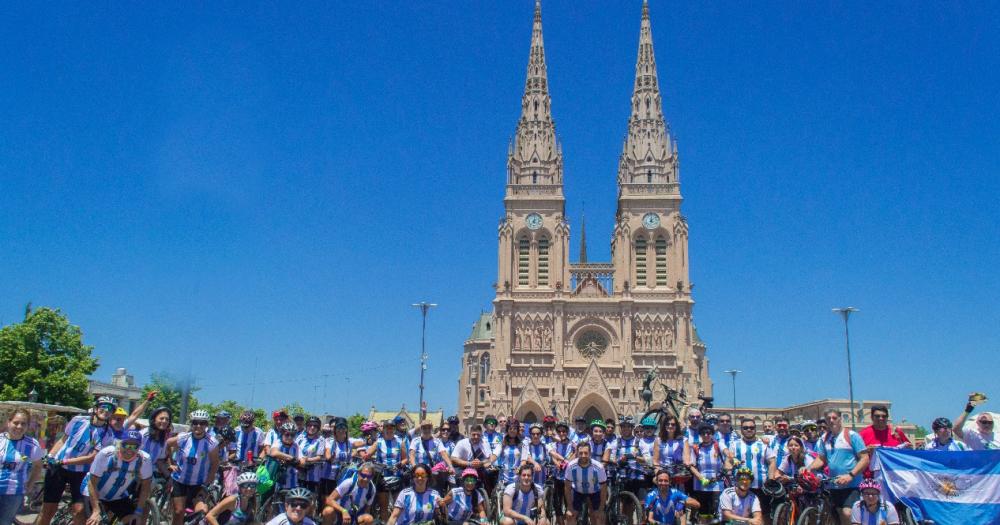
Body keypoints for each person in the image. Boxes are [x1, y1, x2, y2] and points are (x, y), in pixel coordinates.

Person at [37, 395, 119, 525]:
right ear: (96, 408)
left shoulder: (108, 434)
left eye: (110, 409)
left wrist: (63, 461)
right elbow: (63, 440)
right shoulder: (78, 420)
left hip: (81, 473)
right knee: (48, 510)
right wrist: (50, 456)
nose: (106, 410)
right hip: (58, 468)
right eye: (103, 407)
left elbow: (91, 458)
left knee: (79, 511)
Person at [808, 409, 869, 525]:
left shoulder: (852, 436)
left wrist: (851, 475)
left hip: (852, 485)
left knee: (847, 513)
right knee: (836, 515)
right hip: (834, 485)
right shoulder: (824, 438)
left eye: (834, 418)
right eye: (828, 418)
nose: (831, 420)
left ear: (840, 419)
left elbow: (865, 458)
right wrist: (809, 468)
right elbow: (821, 459)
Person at [83, 430, 152, 525]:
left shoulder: (144, 459)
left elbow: (146, 485)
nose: (129, 450)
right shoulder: (106, 454)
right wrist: (96, 511)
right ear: (119, 443)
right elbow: (92, 483)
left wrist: (138, 511)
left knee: (134, 522)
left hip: (118, 496)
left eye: (134, 446)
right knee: (94, 522)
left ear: (139, 447)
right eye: (126, 445)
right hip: (93, 491)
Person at [166, 409, 220, 525]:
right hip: (180, 481)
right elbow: (167, 444)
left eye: (202, 423)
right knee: (179, 512)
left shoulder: (211, 443)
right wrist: (170, 463)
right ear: (191, 424)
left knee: (201, 512)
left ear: (207, 425)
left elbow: (215, 464)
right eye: (195, 422)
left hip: (198, 484)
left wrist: (206, 485)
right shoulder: (183, 438)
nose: (198, 426)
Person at [0, 409, 46, 525]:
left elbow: (37, 466)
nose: (19, 426)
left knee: (4, 522)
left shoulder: (31, 444)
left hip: (14, 493)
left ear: (28, 426)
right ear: (8, 422)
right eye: (16, 422)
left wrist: (30, 484)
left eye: (23, 423)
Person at [726, 418, 770, 521]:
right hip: (740, 487)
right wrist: (728, 467)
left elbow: (772, 461)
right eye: (745, 428)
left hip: (760, 486)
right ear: (741, 430)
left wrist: (771, 479)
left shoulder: (763, 444)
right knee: (741, 516)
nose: (749, 430)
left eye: (751, 427)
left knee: (762, 516)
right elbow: (728, 461)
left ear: (755, 429)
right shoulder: (734, 445)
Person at [368, 419, 409, 522]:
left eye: (391, 427)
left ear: (394, 429)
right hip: (382, 477)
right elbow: (367, 455)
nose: (389, 429)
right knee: (383, 507)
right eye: (387, 427)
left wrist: (399, 464)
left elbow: (405, 459)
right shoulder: (379, 442)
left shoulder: (400, 441)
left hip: (397, 476)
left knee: (398, 506)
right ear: (383, 429)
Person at [684, 423, 727, 522]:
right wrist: (701, 478)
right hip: (701, 485)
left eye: (708, 433)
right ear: (700, 435)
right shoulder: (696, 448)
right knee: (703, 513)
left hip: (717, 485)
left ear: (712, 434)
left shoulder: (718, 445)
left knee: (717, 513)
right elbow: (692, 466)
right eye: (703, 433)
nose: (706, 435)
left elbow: (727, 453)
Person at [563, 441, 607, 525]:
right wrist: (569, 507)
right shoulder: (571, 466)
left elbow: (604, 489)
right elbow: (567, 487)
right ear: (577, 453)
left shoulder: (599, 467)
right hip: (578, 492)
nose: (583, 455)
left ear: (590, 453)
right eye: (581, 453)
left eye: (586, 453)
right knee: (570, 516)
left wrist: (601, 509)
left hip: (595, 492)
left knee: (599, 517)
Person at [606, 416, 646, 503]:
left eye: (628, 426)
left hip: (638, 477)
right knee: (626, 507)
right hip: (623, 477)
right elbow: (611, 459)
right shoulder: (615, 442)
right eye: (623, 426)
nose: (625, 428)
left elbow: (648, 460)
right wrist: (619, 460)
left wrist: (636, 457)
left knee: (642, 506)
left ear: (632, 428)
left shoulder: (640, 442)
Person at [322, 418, 364, 499]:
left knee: (341, 499)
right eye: (338, 428)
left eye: (343, 428)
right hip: (329, 476)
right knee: (327, 500)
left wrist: (368, 440)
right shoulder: (329, 441)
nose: (341, 430)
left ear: (346, 430)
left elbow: (361, 442)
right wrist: (331, 457)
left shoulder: (350, 442)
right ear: (335, 429)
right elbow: (327, 456)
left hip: (344, 476)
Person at [547, 422, 575, 525]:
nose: (561, 433)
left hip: (569, 478)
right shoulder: (553, 444)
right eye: (559, 431)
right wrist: (558, 462)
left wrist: (567, 462)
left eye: (564, 431)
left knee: (569, 503)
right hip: (557, 476)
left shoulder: (572, 444)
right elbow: (552, 454)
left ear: (567, 432)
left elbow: (576, 454)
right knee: (557, 504)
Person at [269, 422, 304, 491]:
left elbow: (303, 462)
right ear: (282, 434)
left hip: (292, 482)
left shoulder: (295, 445)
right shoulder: (278, 442)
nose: (290, 437)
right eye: (287, 435)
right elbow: (274, 452)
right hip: (277, 482)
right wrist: (291, 458)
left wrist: (297, 462)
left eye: (292, 435)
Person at [298, 417, 328, 496]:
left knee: (310, 499)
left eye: (315, 426)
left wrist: (307, 459)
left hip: (313, 475)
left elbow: (319, 457)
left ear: (318, 428)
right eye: (310, 425)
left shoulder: (321, 440)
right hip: (299, 473)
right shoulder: (300, 437)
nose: (312, 427)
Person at [496, 419, 525, 486]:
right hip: (503, 478)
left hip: (517, 479)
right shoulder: (502, 444)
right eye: (510, 428)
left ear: (517, 430)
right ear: (507, 430)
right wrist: (488, 461)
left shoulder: (522, 445)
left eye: (515, 428)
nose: (512, 430)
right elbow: (495, 455)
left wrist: (519, 468)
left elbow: (524, 460)